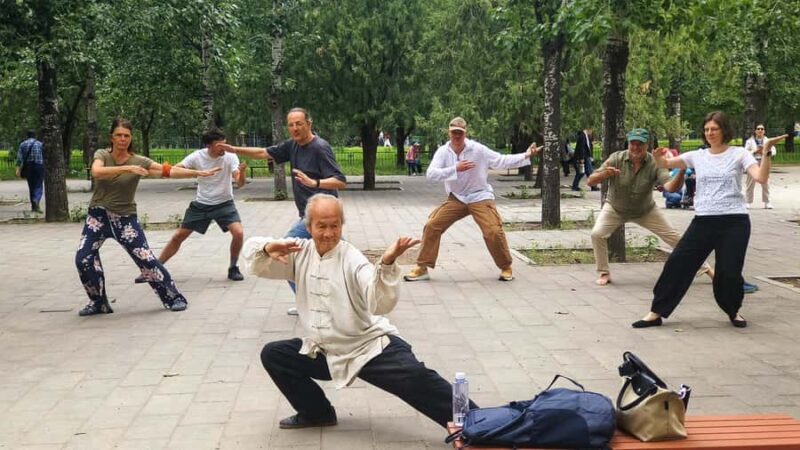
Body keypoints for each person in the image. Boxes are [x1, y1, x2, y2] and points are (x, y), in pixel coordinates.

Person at [243, 194, 476, 429]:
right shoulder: (299, 251)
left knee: (418, 379)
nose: (328, 233)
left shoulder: (351, 258)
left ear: (341, 226)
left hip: (367, 347)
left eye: (334, 225)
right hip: (326, 350)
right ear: (308, 226)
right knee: (275, 354)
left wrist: (386, 263)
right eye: (321, 226)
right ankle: (316, 413)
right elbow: (255, 260)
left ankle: (481, 423)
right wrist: (266, 247)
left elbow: (379, 301)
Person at [632, 111, 786, 329]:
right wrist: (658, 158)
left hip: (734, 222)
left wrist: (767, 151)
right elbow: (665, 163)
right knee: (678, 264)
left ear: (724, 130)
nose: (710, 133)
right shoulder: (697, 155)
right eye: (706, 129)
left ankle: (733, 311)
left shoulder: (739, 154)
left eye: (714, 129)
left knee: (729, 272)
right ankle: (656, 312)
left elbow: (761, 178)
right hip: (703, 221)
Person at [75, 118, 221, 316]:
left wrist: (199, 173)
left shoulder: (139, 160)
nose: (122, 139)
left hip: (124, 219)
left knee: (146, 260)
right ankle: (98, 302)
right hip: (97, 217)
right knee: (83, 259)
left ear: (131, 138)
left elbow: (167, 171)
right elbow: (97, 172)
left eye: (126, 136)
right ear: (112, 137)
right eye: (118, 135)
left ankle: (174, 297)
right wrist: (127, 168)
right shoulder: (102, 154)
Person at [220, 107, 347, 315]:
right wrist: (234, 149)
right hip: (308, 217)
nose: (295, 128)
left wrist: (313, 182)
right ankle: (330, 300)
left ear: (309, 123)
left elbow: (340, 181)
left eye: (299, 123)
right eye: (291, 124)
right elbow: (264, 153)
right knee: (327, 259)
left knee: (285, 253)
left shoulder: (320, 148)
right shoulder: (292, 146)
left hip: (321, 216)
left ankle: (311, 303)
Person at [404, 117, 538, 282]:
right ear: (449, 132)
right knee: (432, 226)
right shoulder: (443, 151)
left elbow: (501, 160)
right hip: (457, 198)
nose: (457, 136)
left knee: (493, 231)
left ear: (465, 133)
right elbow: (431, 174)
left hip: (479, 196)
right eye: (454, 133)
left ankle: (506, 266)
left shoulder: (478, 150)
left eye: (460, 133)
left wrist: (526, 155)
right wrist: (455, 169)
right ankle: (422, 267)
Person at [588, 128, 713, 286]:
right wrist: (604, 175)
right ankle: (604, 272)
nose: (636, 148)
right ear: (629, 144)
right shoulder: (616, 158)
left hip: (645, 210)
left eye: (640, 144)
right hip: (615, 208)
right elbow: (590, 181)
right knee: (597, 234)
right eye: (633, 143)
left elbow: (670, 187)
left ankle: (707, 270)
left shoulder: (654, 163)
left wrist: (681, 172)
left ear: (647, 145)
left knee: (675, 238)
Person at [135, 128, 247, 283]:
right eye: (220, 146)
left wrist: (243, 173)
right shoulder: (197, 156)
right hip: (201, 205)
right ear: (209, 146)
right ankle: (155, 268)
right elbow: (176, 169)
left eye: (225, 144)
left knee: (239, 233)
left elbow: (239, 183)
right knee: (178, 236)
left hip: (224, 204)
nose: (224, 148)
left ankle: (233, 268)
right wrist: (187, 172)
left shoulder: (230, 157)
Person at [744, 123, 774, 209]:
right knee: (750, 182)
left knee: (765, 182)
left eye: (762, 129)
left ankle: (767, 202)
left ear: (764, 131)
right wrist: (755, 151)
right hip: (753, 162)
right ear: (755, 131)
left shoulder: (768, 141)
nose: (760, 130)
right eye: (758, 129)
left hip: (764, 161)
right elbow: (745, 152)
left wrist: (765, 152)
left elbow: (773, 151)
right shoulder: (749, 141)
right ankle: (748, 202)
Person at [15, 129, 45, 212]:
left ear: (27, 136)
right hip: (38, 166)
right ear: (35, 135)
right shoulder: (40, 144)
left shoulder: (23, 144)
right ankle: (36, 200)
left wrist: (18, 169)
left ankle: (34, 207)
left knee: (31, 186)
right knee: (38, 185)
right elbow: (45, 156)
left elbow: (19, 158)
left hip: (28, 167)